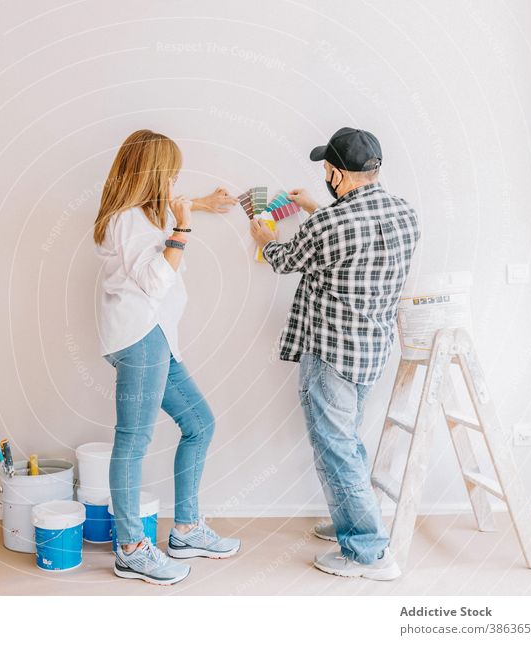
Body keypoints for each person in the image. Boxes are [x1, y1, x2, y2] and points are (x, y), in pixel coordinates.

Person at [249, 127, 420, 581]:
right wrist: (312, 208)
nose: (325, 175)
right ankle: (352, 521)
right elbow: (356, 235)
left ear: (338, 176)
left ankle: (369, 553)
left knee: (335, 447)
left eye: (328, 170)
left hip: (330, 354)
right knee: (346, 440)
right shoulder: (406, 214)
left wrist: (263, 235)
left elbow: (285, 259)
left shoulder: (329, 224)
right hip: (371, 352)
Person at [94, 129, 241, 585]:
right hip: (140, 338)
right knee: (133, 441)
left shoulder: (137, 213)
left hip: (155, 336)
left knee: (199, 423)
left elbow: (157, 213)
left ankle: (185, 530)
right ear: (154, 173)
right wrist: (183, 227)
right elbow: (156, 279)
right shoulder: (129, 220)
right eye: (172, 172)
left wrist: (196, 203)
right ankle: (132, 548)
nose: (177, 179)